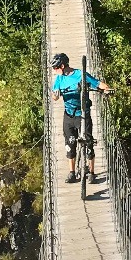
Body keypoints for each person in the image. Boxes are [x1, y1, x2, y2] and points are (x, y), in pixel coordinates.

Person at [50, 52, 109, 183]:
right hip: (69, 115)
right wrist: (56, 94)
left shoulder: (80, 75)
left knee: (88, 143)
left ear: (63, 66)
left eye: (56, 68)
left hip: (82, 115)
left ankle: (92, 173)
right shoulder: (59, 79)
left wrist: (107, 89)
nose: (54, 71)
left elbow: (97, 83)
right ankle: (72, 173)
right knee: (70, 143)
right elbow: (54, 96)